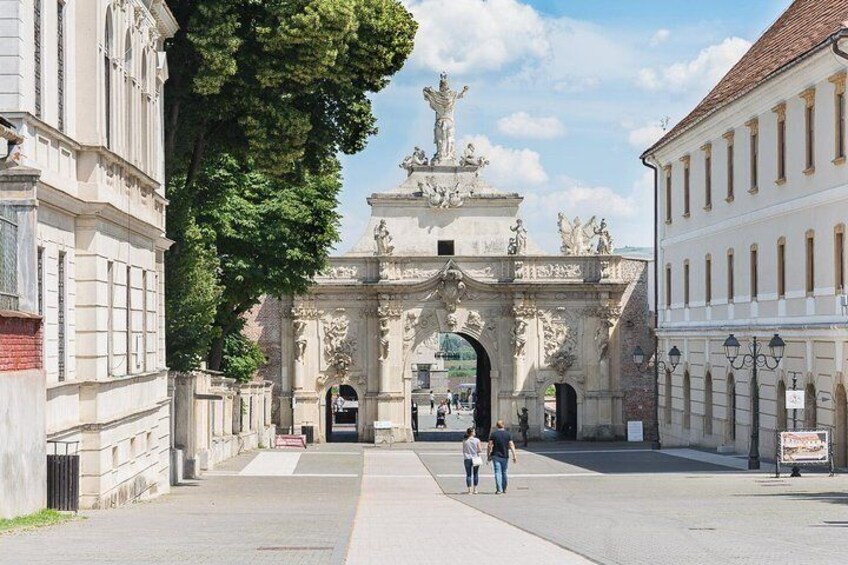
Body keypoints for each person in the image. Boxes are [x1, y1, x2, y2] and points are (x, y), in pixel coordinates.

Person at [487, 420, 517, 494]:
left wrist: (488, 455)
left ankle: (499, 489)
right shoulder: (508, 434)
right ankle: (504, 488)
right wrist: (514, 455)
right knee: (504, 472)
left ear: (497, 426)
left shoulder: (493, 434)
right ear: (503, 425)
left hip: (495, 455)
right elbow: (511, 445)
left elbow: (489, 445)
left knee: (497, 472)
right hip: (505, 455)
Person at [462, 427, 483, 494]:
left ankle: (469, 490)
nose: (475, 432)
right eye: (474, 431)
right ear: (472, 433)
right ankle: (475, 489)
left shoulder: (465, 440)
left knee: (468, 474)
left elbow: (464, 450)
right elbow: (480, 450)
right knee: (475, 474)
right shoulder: (477, 440)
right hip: (475, 457)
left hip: (467, 458)